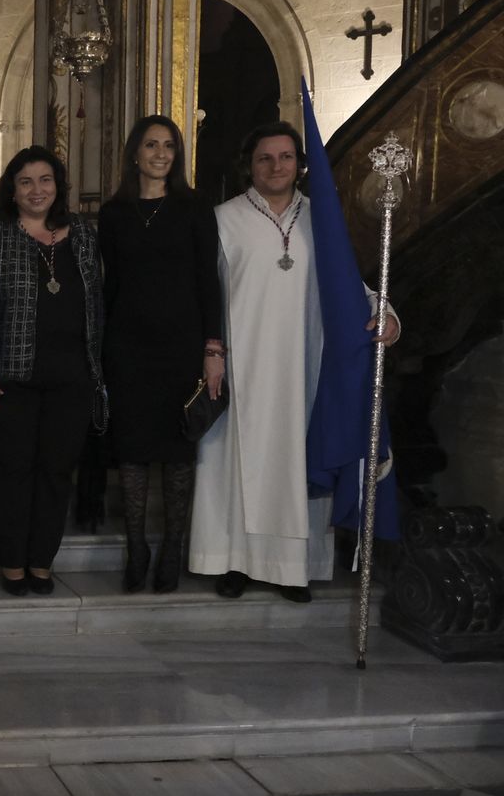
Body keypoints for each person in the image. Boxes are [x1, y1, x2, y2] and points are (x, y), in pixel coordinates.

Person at [191, 121, 400, 601]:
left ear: (300, 165)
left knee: (295, 462)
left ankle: (292, 570)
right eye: (265, 158)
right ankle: (234, 563)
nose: (276, 166)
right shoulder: (223, 218)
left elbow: (349, 286)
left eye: (285, 157)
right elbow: (206, 293)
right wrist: (212, 350)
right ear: (250, 164)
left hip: (306, 363)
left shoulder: (321, 217)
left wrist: (385, 314)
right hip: (241, 363)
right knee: (236, 465)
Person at [0, 147, 103, 597]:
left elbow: (99, 302)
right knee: (9, 472)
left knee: (55, 472)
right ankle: (11, 561)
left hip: (72, 377)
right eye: (25, 181)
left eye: (45, 180)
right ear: (12, 188)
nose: (36, 190)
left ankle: (41, 561)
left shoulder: (83, 235)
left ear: (58, 186)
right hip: (7, 379)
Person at [98, 117, 224, 593]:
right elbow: (108, 286)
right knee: (130, 451)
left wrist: (213, 348)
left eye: (169, 145)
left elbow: (207, 283)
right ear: (135, 152)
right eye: (151, 145)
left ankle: (172, 548)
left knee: (176, 453)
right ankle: (137, 549)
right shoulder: (113, 213)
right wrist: (101, 349)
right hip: (127, 347)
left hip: (181, 347)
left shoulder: (194, 207)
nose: (160, 153)